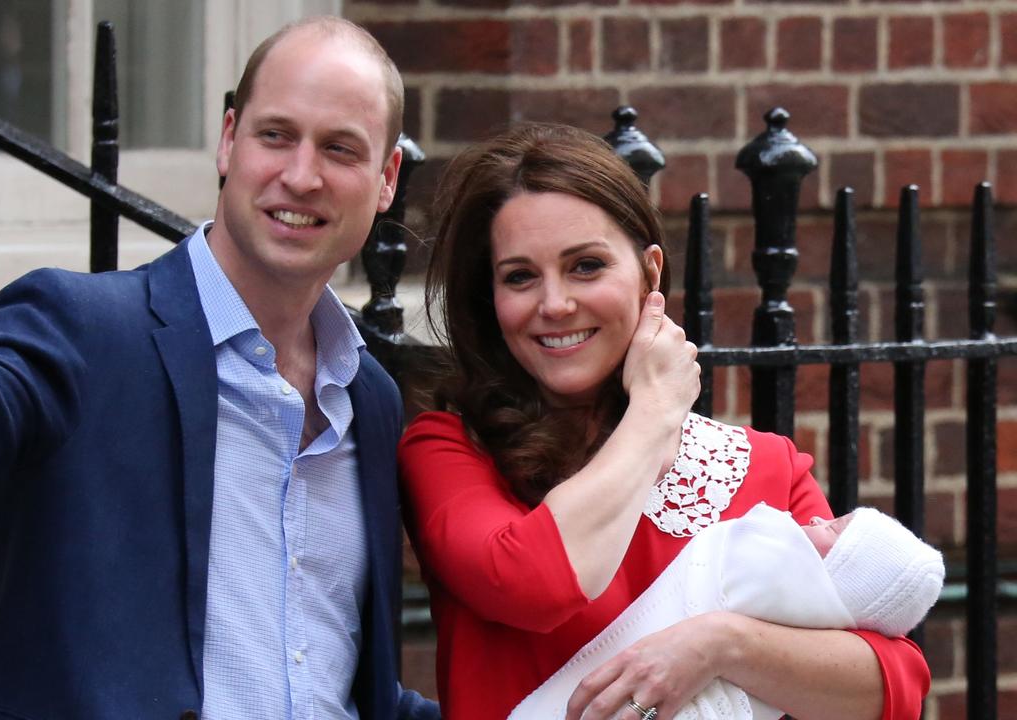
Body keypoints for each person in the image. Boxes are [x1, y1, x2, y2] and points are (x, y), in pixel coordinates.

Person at [0, 2, 439, 718]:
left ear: (387, 177)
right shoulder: (83, 332)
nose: (301, 176)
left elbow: (344, 682)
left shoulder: (369, 396)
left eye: (340, 149)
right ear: (229, 139)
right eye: (276, 135)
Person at [396, 123, 930, 720]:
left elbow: (894, 683)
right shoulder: (448, 449)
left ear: (650, 273)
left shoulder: (761, 466)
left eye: (586, 266)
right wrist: (654, 412)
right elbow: (533, 583)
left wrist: (718, 646)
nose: (553, 304)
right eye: (520, 276)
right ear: (490, 300)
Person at [511, 504, 945, 719]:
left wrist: (718, 643)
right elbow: (522, 578)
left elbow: (896, 678)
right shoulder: (461, 447)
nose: (807, 520)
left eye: (830, 525)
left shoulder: (772, 465)